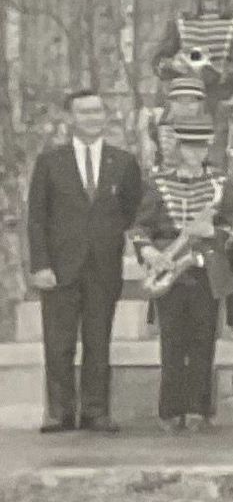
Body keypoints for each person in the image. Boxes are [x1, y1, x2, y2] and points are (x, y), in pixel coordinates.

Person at [25, 88, 147, 433]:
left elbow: (132, 211)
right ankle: (59, 412)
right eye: (84, 112)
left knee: (98, 340)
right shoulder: (50, 162)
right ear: (70, 118)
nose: (92, 118)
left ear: (105, 116)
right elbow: (37, 217)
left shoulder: (123, 162)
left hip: (103, 266)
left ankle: (96, 411)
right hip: (60, 267)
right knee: (58, 342)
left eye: (97, 111)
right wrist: (40, 265)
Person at [136, 112, 233, 430]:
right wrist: (150, 252)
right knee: (172, 341)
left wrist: (214, 232)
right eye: (190, 147)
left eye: (201, 147)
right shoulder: (158, 183)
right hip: (170, 266)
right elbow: (140, 227)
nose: (196, 153)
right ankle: (170, 410)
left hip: (207, 269)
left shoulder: (220, 182)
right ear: (178, 148)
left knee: (204, 339)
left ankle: (200, 409)